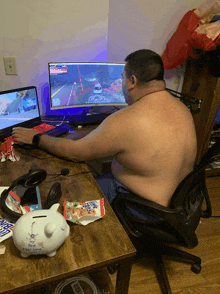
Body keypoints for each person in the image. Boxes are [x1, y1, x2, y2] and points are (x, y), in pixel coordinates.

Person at [12, 49, 197, 221]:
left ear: (133, 81)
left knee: (68, 194)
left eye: (123, 78)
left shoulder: (125, 120)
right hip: (180, 205)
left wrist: (36, 138)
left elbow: (75, 152)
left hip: (143, 208)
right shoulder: (182, 108)